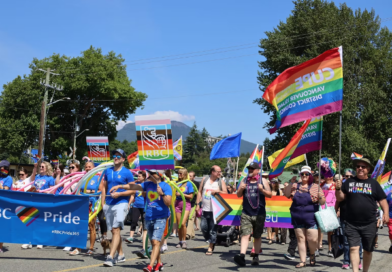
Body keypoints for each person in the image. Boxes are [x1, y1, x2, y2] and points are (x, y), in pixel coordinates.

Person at [111, 169, 172, 272]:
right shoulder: (147, 184)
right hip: (149, 216)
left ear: (159, 175)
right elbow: (133, 187)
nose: (150, 175)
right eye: (150, 173)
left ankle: (150, 266)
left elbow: (168, 203)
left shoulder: (166, 186)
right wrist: (120, 186)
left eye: (152, 173)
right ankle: (159, 263)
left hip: (161, 217)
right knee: (154, 243)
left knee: (155, 241)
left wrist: (161, 194)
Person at [336, 157, 389, 272]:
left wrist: (386, 213)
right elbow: (340, 198)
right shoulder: (349, 182)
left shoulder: (373, 183)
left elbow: (382, 200)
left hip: (369, 223)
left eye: (363, 167)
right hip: (351, 222)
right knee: (354, 248)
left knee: (368, 250)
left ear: (368, 169)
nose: (360, 168)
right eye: (358, 166)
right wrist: (338, 188)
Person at [283, 166, 325, 268]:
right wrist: (290, 183)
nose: (304, 176)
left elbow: (323, 201)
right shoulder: (295, 185)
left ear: (310, 175)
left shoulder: (315, 186)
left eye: (307, 174)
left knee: (312, 239)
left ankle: (312, 254)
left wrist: (320, 196)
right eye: (302, 174)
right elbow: (287, 194)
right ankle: (302, 261)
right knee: (300, 238)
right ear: (300, 175)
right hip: (297, 215)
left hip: (311, 216)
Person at [233, 162, 271, 266]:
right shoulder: (244, 180)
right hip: (246, 212)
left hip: (259, 213)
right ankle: (242, 256)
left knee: (257, 236)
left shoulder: (263, 181)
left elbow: (270, 194)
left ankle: (256, 256)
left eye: (252, 169)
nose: (250, 170)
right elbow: (238, 195)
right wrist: (241, 188)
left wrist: (262, 189)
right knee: (245, 234)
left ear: (258, 170)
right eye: (249, 168)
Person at [101, 149, 134, 267]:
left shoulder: (127, 172)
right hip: (109, 204)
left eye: (118, 156)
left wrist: (120, 194)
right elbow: (104, 187)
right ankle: (121, 254)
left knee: (116, 229)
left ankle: (111, 256)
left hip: (121, 203)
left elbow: (133, 189)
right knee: (114, 231)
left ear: (123, 159)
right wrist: (102, 202)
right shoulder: (107, 171)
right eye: (114, 155)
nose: (115, 157)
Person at [69, 161, 101, 256]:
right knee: (80, 225)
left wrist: (87, 192)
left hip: (93, 203)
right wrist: (82, 193)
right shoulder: (82, 178)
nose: (88, 168)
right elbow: (78, 190)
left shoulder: (98, 178)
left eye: (89, 167)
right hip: (83, 203)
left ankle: (91, 248)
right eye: (86, 167)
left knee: (91, 226)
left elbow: (101, 190)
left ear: (94, 167)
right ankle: (78, 248)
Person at [195, 165, 227, 255]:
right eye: (218, 171)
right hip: (205, 209)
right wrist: (197, 204)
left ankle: (210, 246)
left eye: (220, 171)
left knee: (213, 229)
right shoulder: (205, 179)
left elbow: (226, 193)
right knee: (204, 228)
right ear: (212, 172)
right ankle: (211, 240)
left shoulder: (220, 181)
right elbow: (199, 192)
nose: (219, 173)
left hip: (216, 210)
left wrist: (218, 191)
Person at [335, 169, 363, 270]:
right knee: (346, 241)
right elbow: (338, 200)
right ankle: (346, 261)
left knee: (358, 241)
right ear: (344, 177)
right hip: (345, 217)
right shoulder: (341, 187)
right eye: (347, 176)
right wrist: (335, 210)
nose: (349, 178)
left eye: (351, 176)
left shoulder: (359, 186)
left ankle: (359, 260)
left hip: (358, 218)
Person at [29, 161, 55, 250]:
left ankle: (40, 241)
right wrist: (35, 168)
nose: (41, 168)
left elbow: (52, 191)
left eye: (42, 167)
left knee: (41, 221)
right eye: (40, 167)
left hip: (44, 201)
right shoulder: (37, 176)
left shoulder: (50, 178)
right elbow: (32, 181)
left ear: (47, 168)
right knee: (32, 220)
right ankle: (31, 241)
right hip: (35, 200)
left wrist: (41, 191)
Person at [128, 171, 148, 259]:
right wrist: (129, 204)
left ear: (144, 177)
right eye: (137, 176)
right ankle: (131, 237)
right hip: (136, 205)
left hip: (144, 206)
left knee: (145, 225)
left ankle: (144, 244)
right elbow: (132, 194)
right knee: (134, 220)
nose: (138, 178)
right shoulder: (136, 185)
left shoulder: (146, 185)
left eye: (139, 176)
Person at [175, 168, 194, 249]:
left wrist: (182, 194)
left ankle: (184, 241)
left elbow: (191, 196)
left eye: (180, 173)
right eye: (178, 173)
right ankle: (180, 241)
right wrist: (177, 194)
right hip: (177, 204)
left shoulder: (189, 183)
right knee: (179, 225)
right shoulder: (177, 183)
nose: (179, 175)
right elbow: (174, 193)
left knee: (183, 223)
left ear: (185, 174)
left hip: (186, 204)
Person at [0, 160, 12, 253]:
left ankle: (0, 247)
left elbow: (5, 190)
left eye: (3, 168)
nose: (1, 169)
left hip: (3, 205)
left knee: (1, 226)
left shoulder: (9, 179)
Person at [267, 178, 281, 245]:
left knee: (275, 225)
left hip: (276, 209)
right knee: (268, 224)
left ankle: (277, 235)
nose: (272, 183)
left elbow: (282, 200)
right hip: (268, 209)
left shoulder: (279, 191)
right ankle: (270, 238)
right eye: (271, 182)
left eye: (274, 182)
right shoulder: (268, 191)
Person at [186, 171, 200, 240]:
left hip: (193, 203)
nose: (189, 177)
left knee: (191, 218)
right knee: (187, 218)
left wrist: (198, 204)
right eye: (189, 175)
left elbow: (199, 194)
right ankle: (192, 233)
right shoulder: (185, 183)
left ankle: (187, 234)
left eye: (191, 176)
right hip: (186, 203)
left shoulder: (196, 183)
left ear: (194, 177)